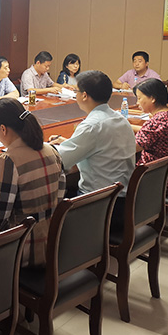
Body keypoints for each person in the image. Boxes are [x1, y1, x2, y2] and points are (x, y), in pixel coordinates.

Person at [0, 98, 65, 267]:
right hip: (55, 242)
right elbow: (61, 196)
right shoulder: (51, 150)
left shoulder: (8, 160)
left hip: (25, 251)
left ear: (3, 129)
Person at [49, 71, 136, 228]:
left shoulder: (92, 125)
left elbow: (61, 159)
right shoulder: (121, 119)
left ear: (84, 95)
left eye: (76, 91)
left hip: (100, 207)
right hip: (124, 202)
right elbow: (99, 145)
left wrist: (43, 146)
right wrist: (69, 142)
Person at [132, 79, 168, 194]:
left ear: (153, 98)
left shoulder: (158, 121)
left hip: (160, 181)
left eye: (139, 98)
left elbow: (130, 149)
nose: (137, 103)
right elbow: (151, 133)